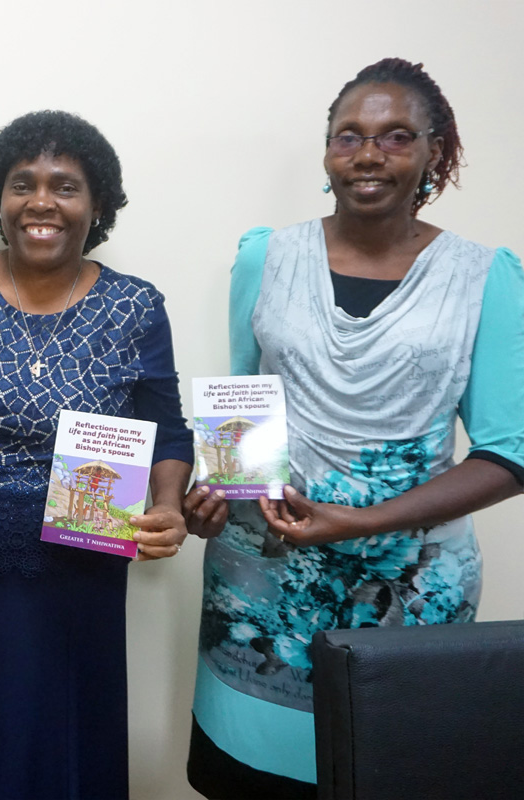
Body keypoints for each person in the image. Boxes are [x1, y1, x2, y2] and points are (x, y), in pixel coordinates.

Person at [183, 58, 524, 799]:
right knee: (252, 779)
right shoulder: (265, 257)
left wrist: (363, 521)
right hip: (260, 578)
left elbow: (509, 455)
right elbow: (244, 403)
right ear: (328, 152)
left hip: (408, 587)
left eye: (396, 136)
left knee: (386, 770)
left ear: (435, 151)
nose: (369, 154)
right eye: (349, 137)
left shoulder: (484, 277)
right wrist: (212, 490)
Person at [0, 110, 194, 799]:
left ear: (98, 205)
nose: (41, 202)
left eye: (65, 186)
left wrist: (169, 506)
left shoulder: (134, 307)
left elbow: (167, 432)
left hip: (81, 580)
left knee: (67, 754)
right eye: (22, 184)